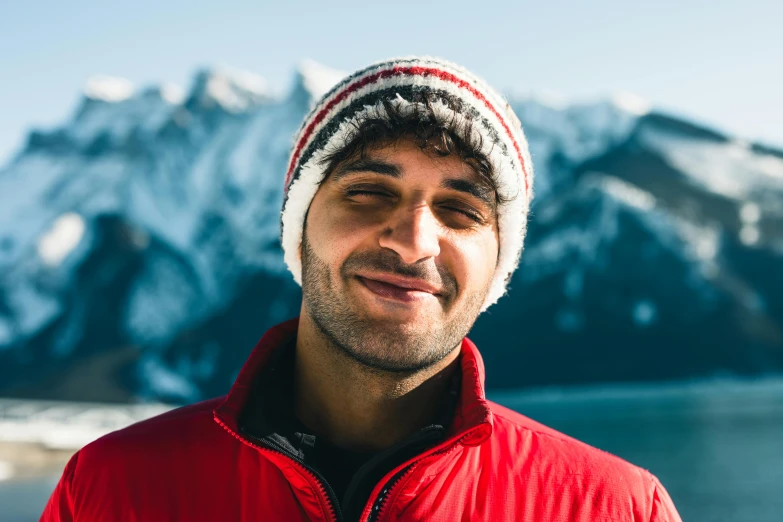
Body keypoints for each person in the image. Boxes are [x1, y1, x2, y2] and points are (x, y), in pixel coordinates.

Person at [41, 57, 681, 521]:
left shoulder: (611, 506)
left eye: (462, 210)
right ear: (297, 229)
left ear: (498, 267)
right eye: (369, 192)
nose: (413, 240)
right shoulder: (112, 491)